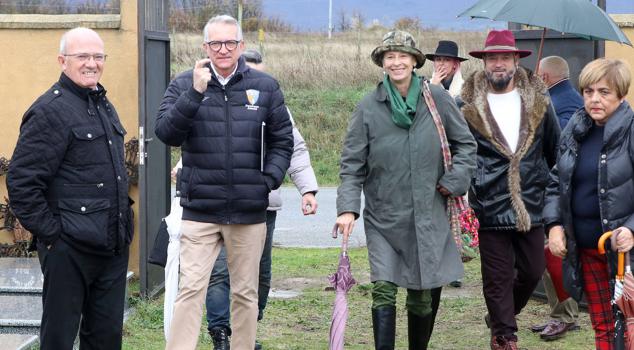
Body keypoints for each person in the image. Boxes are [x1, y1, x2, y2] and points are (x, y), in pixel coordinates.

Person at [155, 15, 293, 350]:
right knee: (190, 290)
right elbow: (166, 133)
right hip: (200, 210)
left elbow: (282, 140)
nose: (223, 49)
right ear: (205, 47)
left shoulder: (265, 86)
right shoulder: (185, 83)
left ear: (241, 46)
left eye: (230, 42)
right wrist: (196, 91)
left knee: (245, 293)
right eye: (215, 43)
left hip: (248, 211)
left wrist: (268, 181)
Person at [335, 30, 476, 350]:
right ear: (382, 63)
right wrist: (347, 208)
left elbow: (465, 145)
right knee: (383, 287)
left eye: (403, 56)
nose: (396, 62)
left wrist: (454, 181)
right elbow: (351, 163)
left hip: (428, 213)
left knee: (421, 291)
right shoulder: (368, 107)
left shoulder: (437, 98)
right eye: (390, 57)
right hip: (384, 216)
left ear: (415, 61)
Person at [6, 27, 133, 350]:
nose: (92, 63)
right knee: (59, 338)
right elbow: (22, 182)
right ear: (63, 61)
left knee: (106, 339)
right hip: (70, 250)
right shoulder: (49, 111)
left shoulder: (102, 103)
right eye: (83, 57)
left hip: (111, 246)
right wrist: (54, 236)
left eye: (98, 56)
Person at [200, 49, 319, 350]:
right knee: (220, 271)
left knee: (259, 274)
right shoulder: (214, 98)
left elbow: (293, 146)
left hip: (262, 204)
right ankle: (221, 335)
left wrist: (307, 189)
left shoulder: (271, 100)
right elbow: (200, 142)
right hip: (220, 204)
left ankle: (247, 331)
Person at [460, 29, 560, 350]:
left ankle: (502, 316)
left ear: (516, 60)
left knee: (532, 271)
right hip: (489, 203)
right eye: (493, 58)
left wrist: (552, 191)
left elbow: (554, 151)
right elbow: (460, 152)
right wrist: (469, 187)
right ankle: (504, 336)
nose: (498, 64)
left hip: (531, 203)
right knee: (497, 278)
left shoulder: (540, 101)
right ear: (484, 62)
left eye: (505, 57)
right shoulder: (466, 104)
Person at [544, 58, 634, 350]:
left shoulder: (631, 132)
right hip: (585, 248)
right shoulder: (575, 129)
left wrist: (632, 229)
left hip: (625, 254)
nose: (594, 99)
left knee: (629, 326)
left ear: (621, 94)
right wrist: (555, 225)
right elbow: (557, 181)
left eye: (604, 92)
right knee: (604, 327)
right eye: (588, 91)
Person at [529, 55, 582, 341]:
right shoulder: (555, 97)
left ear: (546, 77)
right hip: (546, 187)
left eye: (538, 75)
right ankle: (561, 313)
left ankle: (566, 316)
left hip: (556, 187)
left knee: (554, 253)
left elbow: (561, 145)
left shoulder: (565, 103)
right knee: (546, 255)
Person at [427, 39, 469, 290]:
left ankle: (454, 269)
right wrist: (431, 88)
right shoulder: (425, 85)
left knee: (455, 214)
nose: (441, 65)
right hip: (433, 159)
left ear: (456, 65)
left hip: (455, 161)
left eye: (446, 61)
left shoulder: (463, 92)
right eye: (438, 60)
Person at [539, 56, 584, 129]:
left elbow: (567, 130)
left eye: (537, 76)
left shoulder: (566, 99)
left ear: (544, 77)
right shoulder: (565, 94)